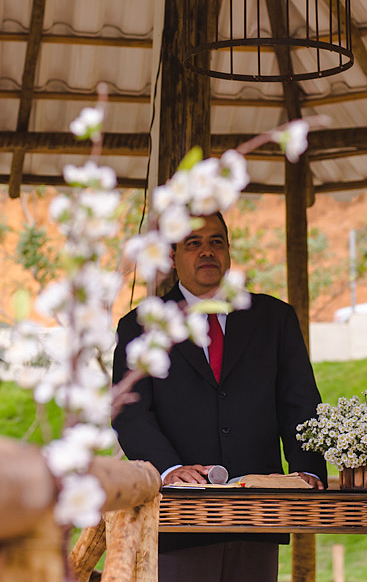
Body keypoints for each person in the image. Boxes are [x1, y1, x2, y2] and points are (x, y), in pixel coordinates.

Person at [111, 211, 327, 582]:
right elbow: (130, 413)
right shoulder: (141, 327)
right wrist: (169, 470)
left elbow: (300, 402)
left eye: (216, 242)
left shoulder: (275, 319)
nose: (206, 251)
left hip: (259, 517)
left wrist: (306, 469)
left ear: (228, 251)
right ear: (172, 255)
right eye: (193, 243)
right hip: (179, 519)